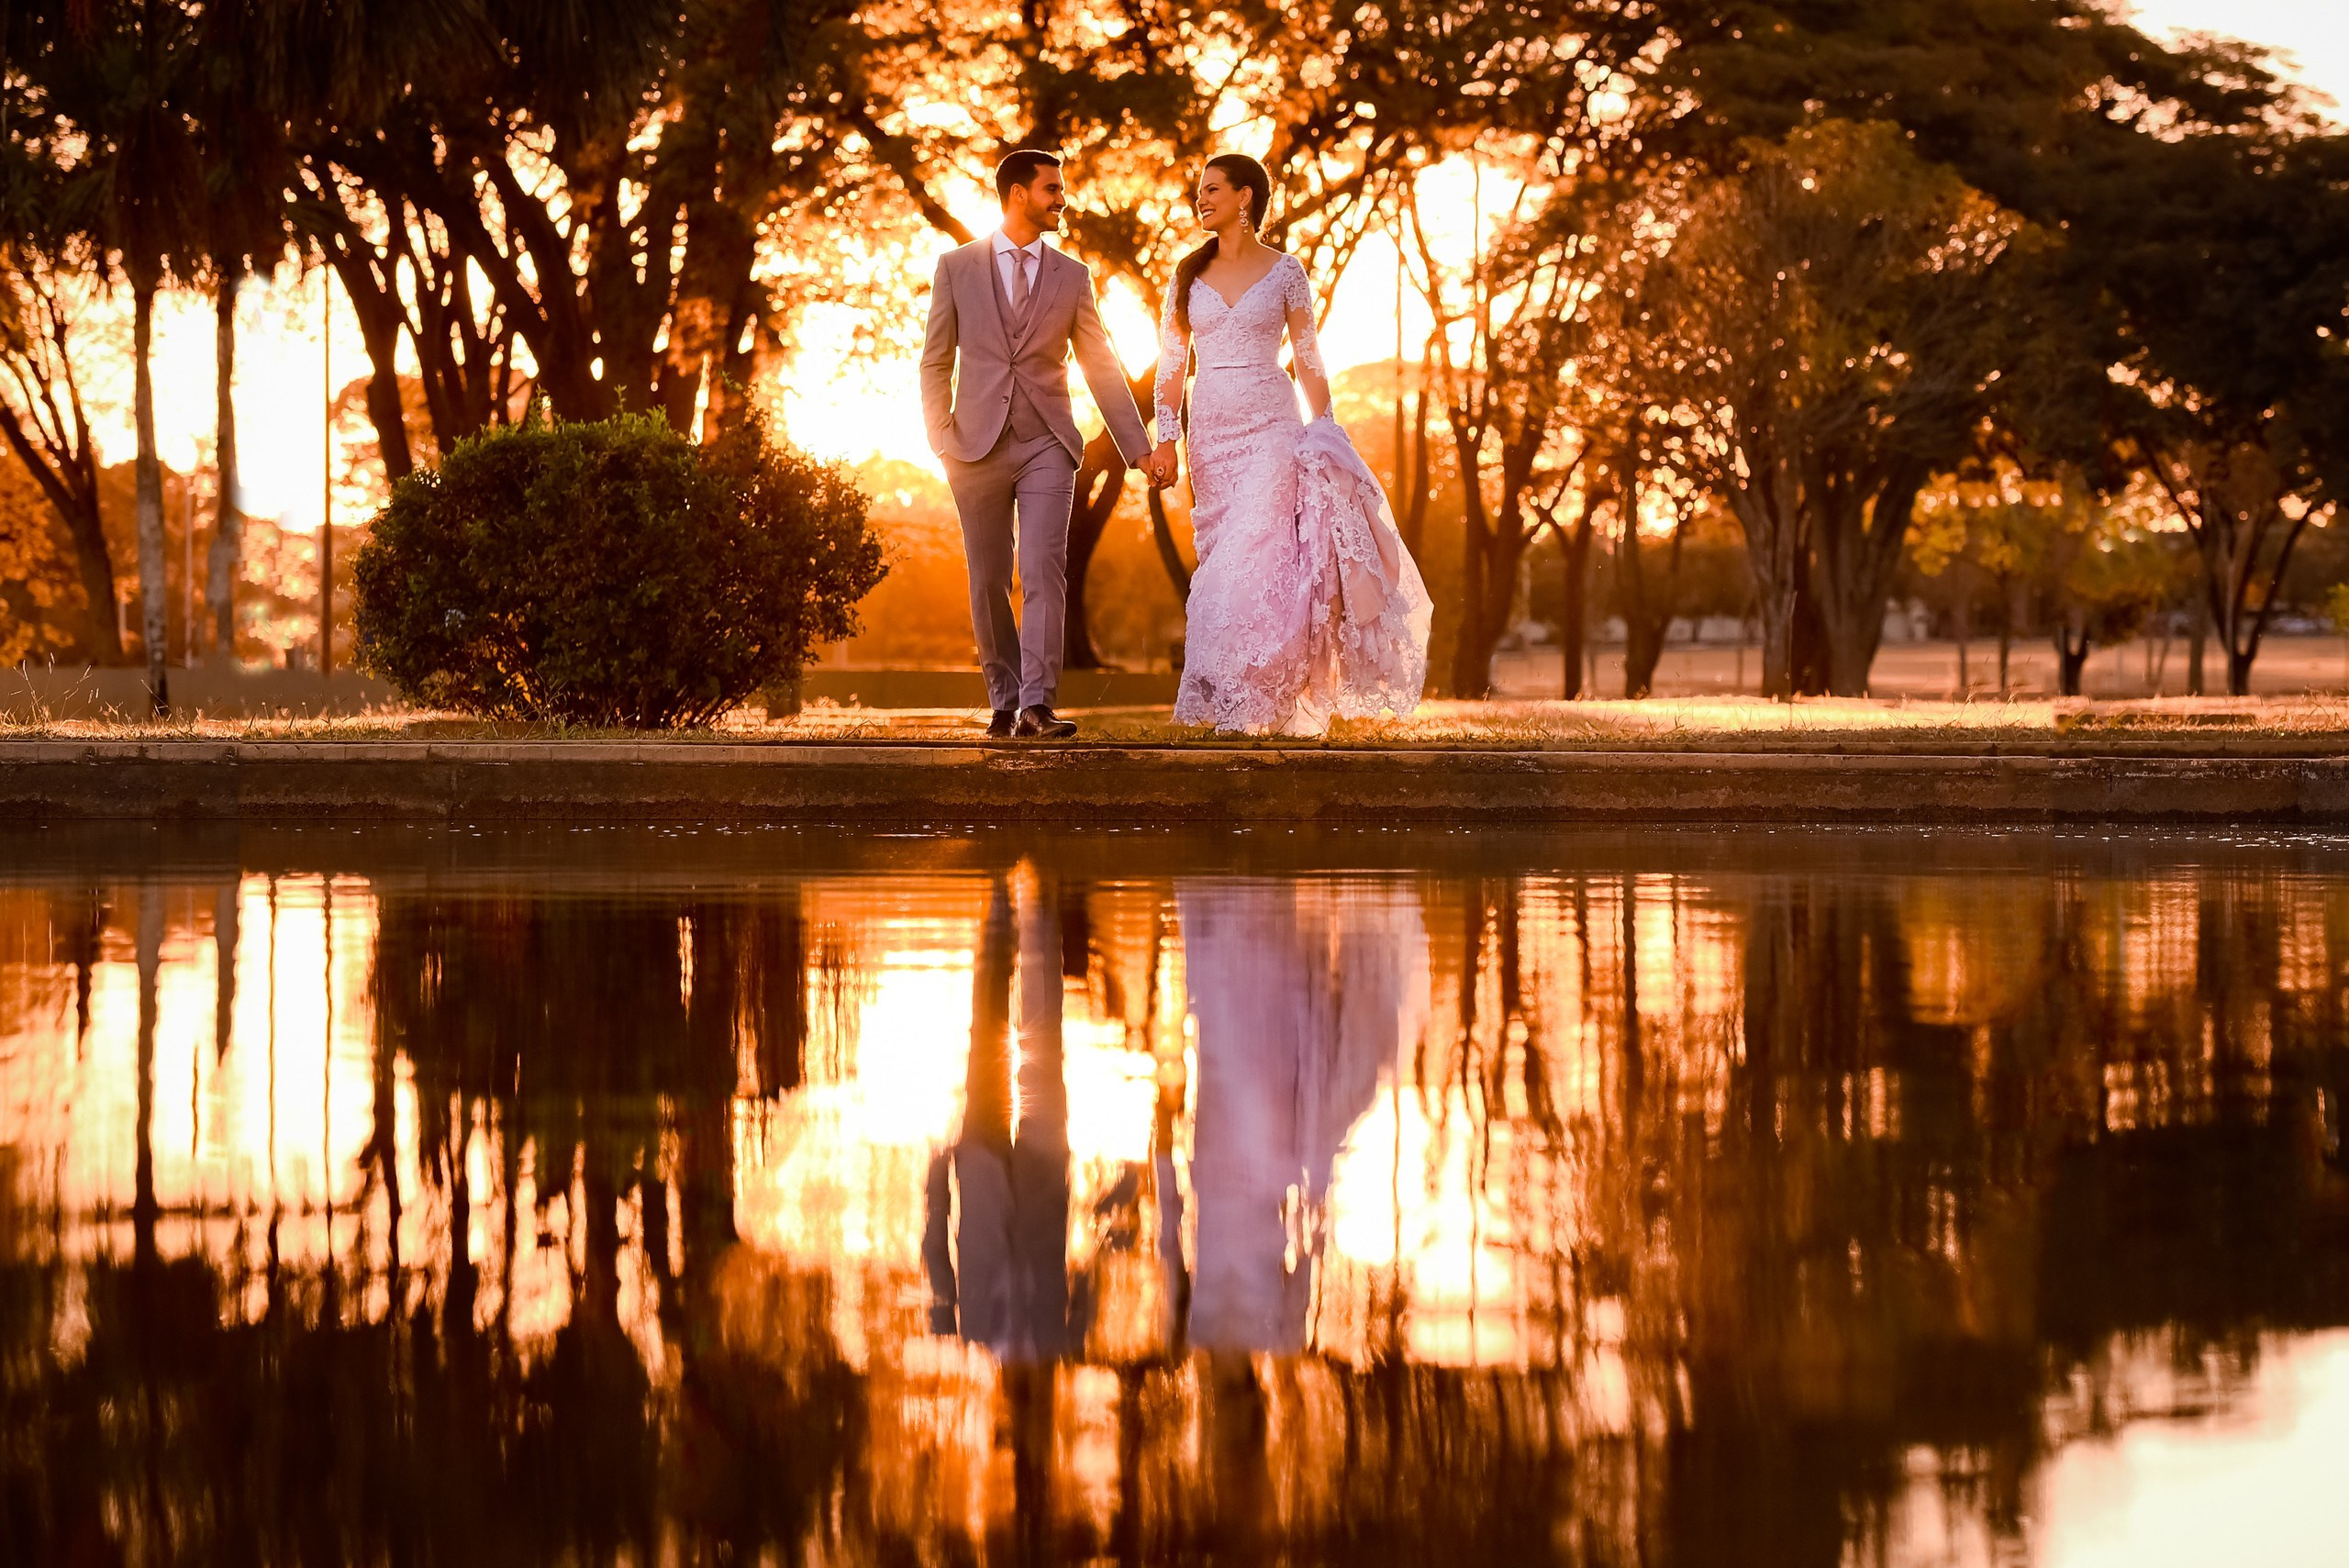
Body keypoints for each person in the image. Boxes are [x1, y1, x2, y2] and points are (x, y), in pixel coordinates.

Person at [1148, 153, 1432, 736]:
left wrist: (1324, 425)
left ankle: (1268, 693)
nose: (1201, 199)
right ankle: (1236, 689)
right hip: (1212, 434)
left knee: (1265, 551)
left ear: (1245, 197)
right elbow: (1172, 365)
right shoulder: (1187, 274)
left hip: (1274, 425)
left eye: (1212, 189)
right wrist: (1167, 439)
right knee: (1222, 559)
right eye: (1200, 191)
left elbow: (1307, 355)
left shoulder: (1286, 271)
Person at [920, 150, 1155, 740]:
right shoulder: (956, 267)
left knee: (1043, 568)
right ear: (1019, 194)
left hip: (1047, 442)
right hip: (971, 446)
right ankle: (1003, 701)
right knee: (988, 580)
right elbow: (935, 360)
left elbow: (1101, 365)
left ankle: (1037, 705)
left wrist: (1138, 449)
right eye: (1052, 188)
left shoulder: (1072, 277)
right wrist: (939, 436)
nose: (1062, 200)